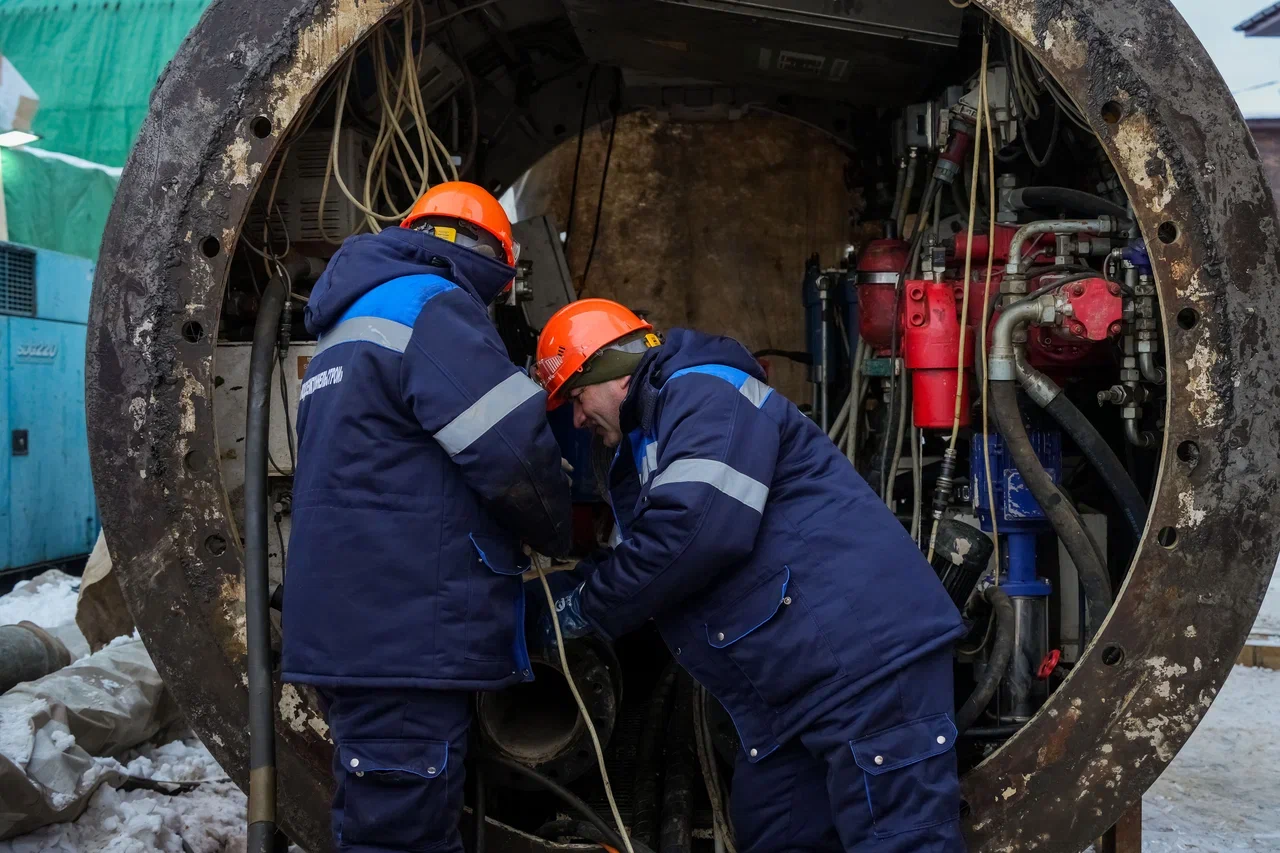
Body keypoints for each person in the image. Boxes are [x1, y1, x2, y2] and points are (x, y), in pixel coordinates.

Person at [531, 298, 968, 853]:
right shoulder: (654, 435)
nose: (575, 418)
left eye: (576, 396)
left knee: (900, 841)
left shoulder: (702, 391)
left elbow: (696, 531)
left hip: (862, 667)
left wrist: (586, 607)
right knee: (775, 829)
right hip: (788, 692)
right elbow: (650, 546)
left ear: (613, 375)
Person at [281, 182, 572, 853]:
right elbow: (513, 451)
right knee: (400, 840)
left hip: (361, 635)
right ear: (495, 266)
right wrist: (558, 529)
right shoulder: (434, 305)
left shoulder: (345, 318)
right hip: (403, 639)